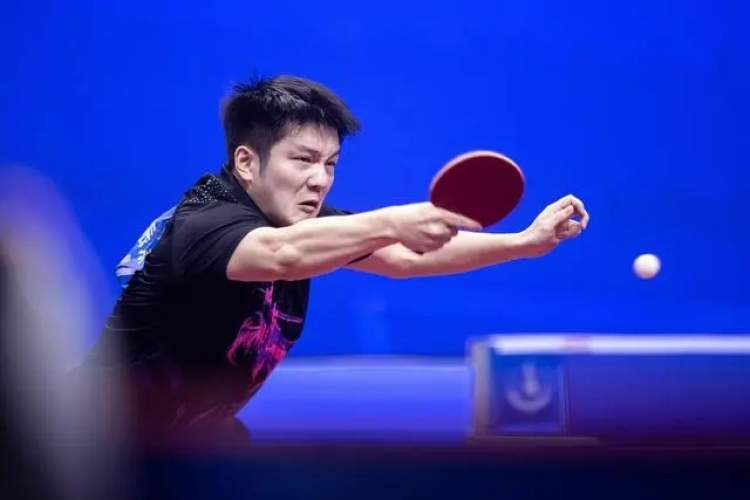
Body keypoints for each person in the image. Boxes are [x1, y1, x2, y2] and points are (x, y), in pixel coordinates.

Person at [78, 75, 589, 442]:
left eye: (330, 164)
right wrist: (390, 220)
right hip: (92, 442)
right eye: (303, 160)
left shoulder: (306, 221)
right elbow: (280, 254)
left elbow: (406, 259)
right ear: (246, 162)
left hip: (194, 439)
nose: (319, 179)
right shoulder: (204, 222)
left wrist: (523, 243)